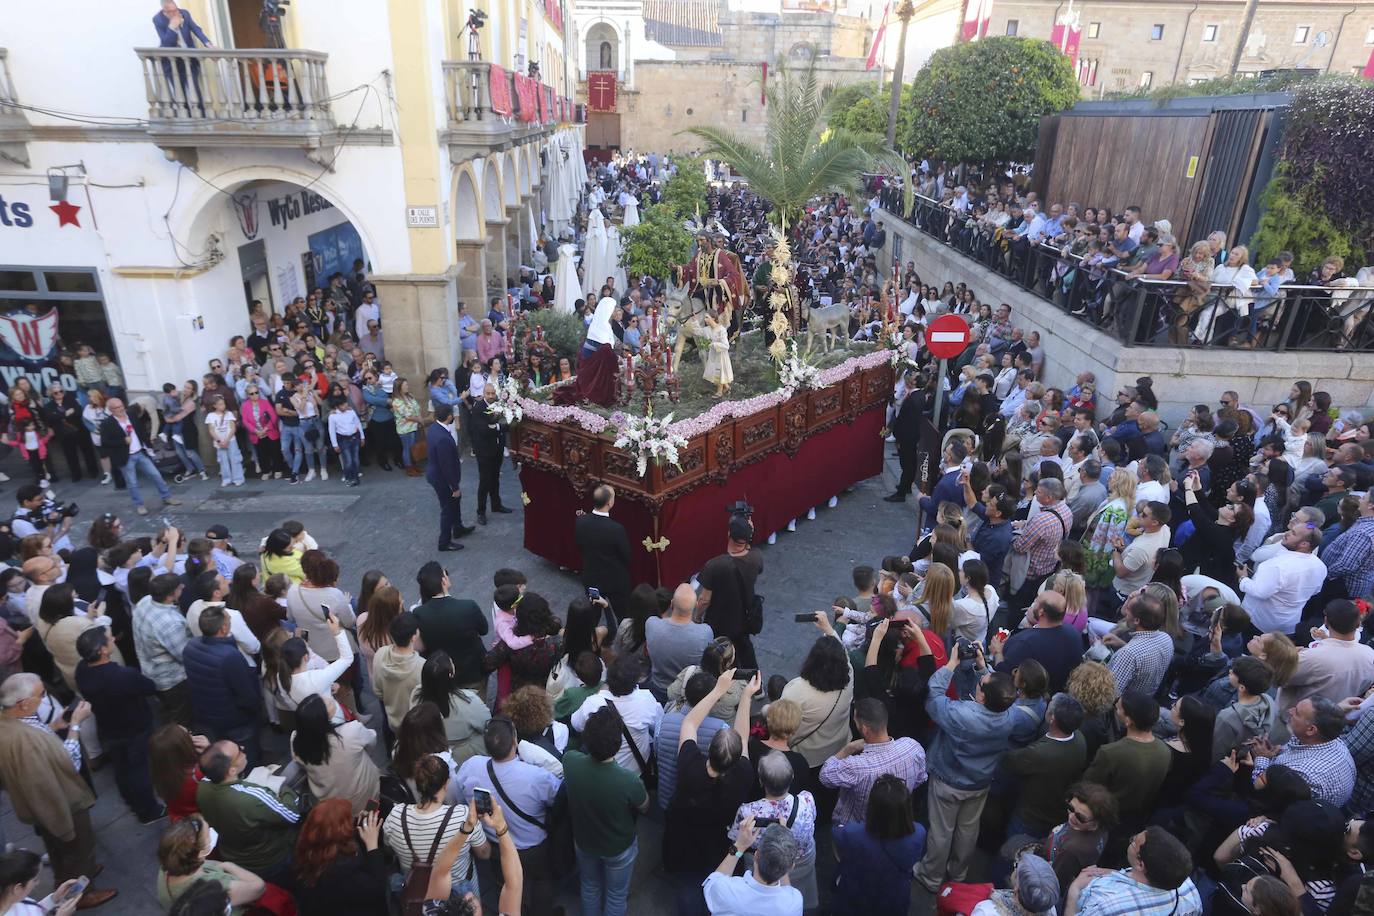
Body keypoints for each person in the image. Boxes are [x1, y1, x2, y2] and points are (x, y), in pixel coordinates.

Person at [0, 674, 116, 909]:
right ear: (23, 704)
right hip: (60, 804)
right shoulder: (26, 741)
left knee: (58, 850)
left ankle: (64, 880)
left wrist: (52, 728)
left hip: (37, 808)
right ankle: (81, 893)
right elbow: (68, 763)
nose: (45, 699)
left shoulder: (9, 723)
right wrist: (75, 725)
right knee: (78, 846)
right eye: (41, 694)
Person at [913, 648, 1018, 893]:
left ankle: (931, 876)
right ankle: (958, 873)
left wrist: (951, 663)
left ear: (981, 696)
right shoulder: (1010, 714)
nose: (979, 682)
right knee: (968, 828)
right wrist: (983, 666)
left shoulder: (960, 713)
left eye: (980, 683)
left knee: (941, 830)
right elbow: (1000, 693)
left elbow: (934, 696)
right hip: (980, 782)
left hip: (948, 780)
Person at [664, 668, 757, 914]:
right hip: (716, 839)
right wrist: (746, 696)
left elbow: (690, 722)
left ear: (710, 749)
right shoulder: (742, 775)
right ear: (736, 760)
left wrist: (718, 689)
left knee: (687, 881)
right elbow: (743, 738)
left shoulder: (689, 764)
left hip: (684, 834)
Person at [453, 715, 562, 914]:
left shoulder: (471, 766)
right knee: (541, 881)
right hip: (533, 848)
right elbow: (557, 798)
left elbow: (461, 796)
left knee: (504, 885)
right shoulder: (536, 776)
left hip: (496, 845)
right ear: (514, 741)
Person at [73, 626, 164, 823]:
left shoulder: (82, 670)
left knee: (121, 768)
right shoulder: (122, 676)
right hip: (135, 727)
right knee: (139, 770)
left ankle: (130, 801)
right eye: (109, 639)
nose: (113, 638)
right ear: (102, 650)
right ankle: (148, 811)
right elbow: (149, 687)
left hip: (108, 727)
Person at [565, 704, 649, 916]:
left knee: (590, 886)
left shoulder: (570, 761)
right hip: (619, 847)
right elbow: (645, 806)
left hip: (584, 841)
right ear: (617, 743)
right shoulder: (628, 780)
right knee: (616, 894)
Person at [194, 739, 302, 887]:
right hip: (268, 861)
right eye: (239, 751)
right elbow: (292, 814)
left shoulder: (203, 788)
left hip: (232, 856)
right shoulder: (251, 798)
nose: (243, 748)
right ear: (231, 770)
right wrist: (283, 788)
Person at [382, 754, 489, 897]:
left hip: (418, 893)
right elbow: (484, 853)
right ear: (446, 783)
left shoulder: (395, 816)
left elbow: (389, 849)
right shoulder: (463, 816)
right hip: (460, 893)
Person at [819, 697, 927, 825]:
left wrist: (848, 748)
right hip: (897, 822)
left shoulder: (856, 766)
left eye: (855, 721)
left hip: (857, 828)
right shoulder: (912, 746)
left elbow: (825, 776)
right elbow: (920, 779)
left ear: (864, 729)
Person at [830, 773, 926, 915]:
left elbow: (836, 834)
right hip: (895, 898)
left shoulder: (852, 833)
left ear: (872, 808)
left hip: (857, 897)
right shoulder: (918, 833)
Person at [183, 605, 262, 768]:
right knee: (244, 758)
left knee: (221, 756)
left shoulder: (190, 646)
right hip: (234, 721)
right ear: (223, 628)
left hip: (207, 716)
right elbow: (247, 695)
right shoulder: (230, 657)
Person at [1003, 693, 1089, 839]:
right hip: (1055, 811)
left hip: (1031, 817)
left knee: (1014, 852)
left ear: (1052, 718)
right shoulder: (1079, 738)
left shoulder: (1039, 753)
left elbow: (1010, 762)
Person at [1082, 692, 1172, 831]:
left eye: (1118, 709)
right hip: (1135, 819)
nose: (1115, 710)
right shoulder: (1165, 750)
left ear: (1129, 721)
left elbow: (1088, 785)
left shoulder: (1110, 752)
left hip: (1105, 817)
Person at [1063, 826, 1203, 916]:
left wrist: (1074, 889)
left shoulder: (1106, 906)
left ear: (1140, 864)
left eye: (1134, 841)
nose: (1132, 839)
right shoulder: (1188, 889)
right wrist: (1115, 874)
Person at [1250, 696, 1356, 807]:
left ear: (1311, 730)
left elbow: (1261, 790)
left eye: (1297, 713)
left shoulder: (1304, 774)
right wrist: (1275, 755)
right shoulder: (1332, 740)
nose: (1290, 711)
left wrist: (1262, 758)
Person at [1275, 598, 1374, 715]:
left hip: (1298, 719)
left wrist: (1288, 658)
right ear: (1358, 624)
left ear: (1326, 621)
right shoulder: (1370, 655)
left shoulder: (1311, 657)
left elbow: (1281, 679)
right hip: (1332, 719)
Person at [572, 654, 663, 778]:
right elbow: (658, 727)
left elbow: (576, 724)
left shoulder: (593, 703)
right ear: (636, 680)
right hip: (638, 770)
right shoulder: (647, 699)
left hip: (604, 768)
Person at [292, 799, 388, 916]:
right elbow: (378, 888)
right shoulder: (343, 870)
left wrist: (357, 827)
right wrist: (372, 845)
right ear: (342, 832)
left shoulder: (305, 847)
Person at [290, 694, 380, 816]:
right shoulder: (351, 732)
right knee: (371, 814)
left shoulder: (296, 740)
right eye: (329, 703)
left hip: (329, 808)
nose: (330, 698)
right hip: (365, 799)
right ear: (323, 719)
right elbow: (372, 741)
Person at [155, 816, 265, 914]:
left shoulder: (166, 868)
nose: (212, 833)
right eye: (208, 834)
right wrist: (229, 865)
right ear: (200, 851)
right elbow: (259, 887)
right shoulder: (216, 887)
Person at [696, 516, 764, 669]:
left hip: (719, 620)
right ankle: (755, 682)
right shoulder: (756, 558)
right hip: (743, 617)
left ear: (729, 535)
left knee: (718, 655)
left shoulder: (715, 565)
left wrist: (697, 617)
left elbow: (704, 600)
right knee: (745, 649)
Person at [413, 562, 489, 697]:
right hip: (472, 672)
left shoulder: (419, 613)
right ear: (443, 581)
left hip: (443, 675)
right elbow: (484, 629)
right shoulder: (468, 607)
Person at [702, 819, 803, 915]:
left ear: (756, 855)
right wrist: (782, 842)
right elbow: (787, 889)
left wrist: (740, 846)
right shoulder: (794, 902)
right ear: (791, 867)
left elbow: (713, 880)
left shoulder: (725, 889)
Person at [99, 397, 181, 515]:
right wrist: (122, 441)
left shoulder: (131, 415)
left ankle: (167, 497)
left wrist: (148, 444)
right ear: (111, 410)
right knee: (132, 483)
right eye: (117, 407)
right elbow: (105, 442)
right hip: (125, 457)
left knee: (156, 475)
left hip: (140, 452)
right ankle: (139, 505)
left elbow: (141, 431)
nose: (121, 409)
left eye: (122, 405)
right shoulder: (107, 423)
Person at [132, 572, 193, 726]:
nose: (183, 587)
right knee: (181, 717)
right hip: (172, 680)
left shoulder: (145, 601)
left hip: (150, 670)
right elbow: (183, 654)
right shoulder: (170, 623)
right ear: (170, 596)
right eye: (179, 588)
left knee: (166, 709)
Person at [992, 590, 1083, 693]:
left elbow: (1003, 673)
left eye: (1036, 601)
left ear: (1041, 612)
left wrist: (998, 652)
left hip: (1025, 699)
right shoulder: (1074, 634)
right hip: (1058, 694)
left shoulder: (1026, 643)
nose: (1033, 603)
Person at [413, 651, 490, 765]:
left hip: (431, 749)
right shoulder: (468, 701)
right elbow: (486, 721)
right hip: (463, 755)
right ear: (450, 674)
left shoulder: (415, 695)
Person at [575, 484, 632, 630]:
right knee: (623, 616)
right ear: (610, 503)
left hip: (591, 577)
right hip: (615, 581)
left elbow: (579, 545)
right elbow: (626, 556)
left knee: (592, 616)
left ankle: (590, 643)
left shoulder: (580, 521)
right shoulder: (616, 529)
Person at [424, 404, 475, 551]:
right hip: (442, 478)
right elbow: (446, 466)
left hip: (435, 474)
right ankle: (444, 542)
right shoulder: (443, 438)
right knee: (447, 508)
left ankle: (458, 528)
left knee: (454, 502)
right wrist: (455, 487)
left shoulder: (434, 428)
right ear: (449, 417)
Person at [371, 611, 425, 735]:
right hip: (415, 724)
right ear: (414, 637)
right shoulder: (422, 666)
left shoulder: (380, 654)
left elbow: (377, 691)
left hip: (392, 719)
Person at [0, 847, 85, 916]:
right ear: (17, 888)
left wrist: (54, 898)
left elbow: (35, 909)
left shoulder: (14, 897)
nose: (37, 883)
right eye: (35, 880)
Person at [469, 382, 510, 524]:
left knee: (495, 479)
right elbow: (484, 430)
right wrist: (500, 426)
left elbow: (504, 424)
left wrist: (496, 426)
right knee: (484, 481)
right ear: (484, 393)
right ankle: (480, 512)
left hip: (497, 449)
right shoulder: (478, 408)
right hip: (484, 451)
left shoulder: (499, 405)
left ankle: (496, 505)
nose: (491, 396)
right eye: (488, 394)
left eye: (493, 393)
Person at [974, 852, 1060, 916]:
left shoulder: (986, 911)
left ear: (1016, 891)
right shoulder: (1049, 908)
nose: (1015, 868)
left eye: (1017, 866)